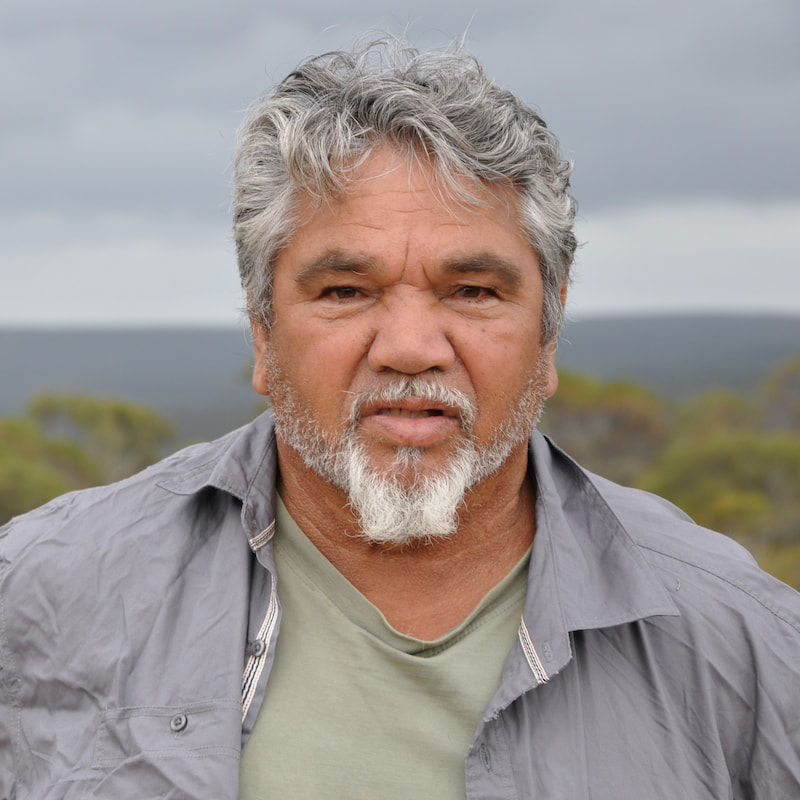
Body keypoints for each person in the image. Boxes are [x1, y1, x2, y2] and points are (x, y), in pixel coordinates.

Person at [1, 37, 799, 800]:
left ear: (550, 328)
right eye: (345, 291)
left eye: (473, 291)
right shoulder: (39, 595)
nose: (411, 348)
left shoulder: (743, 642)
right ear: (262, 331)